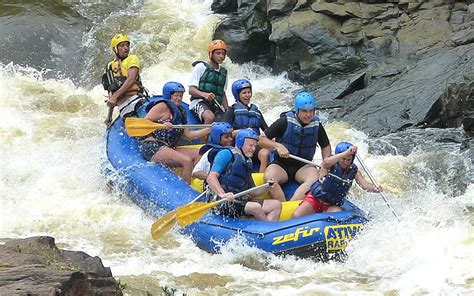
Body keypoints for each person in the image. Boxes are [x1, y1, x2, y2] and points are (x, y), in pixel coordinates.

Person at [258, 91, 331, 202]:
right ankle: (282, 205)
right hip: (281, 165)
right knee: (270, 179)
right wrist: (277, 146)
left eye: (312, 111)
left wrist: (325, 164)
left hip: (303, 166)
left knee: (314, 179)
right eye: (304, 111)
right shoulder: (284, 122)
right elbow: (261, 140)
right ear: (297, 110)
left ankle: (292, 204)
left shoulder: (317, 125)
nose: (309, 115)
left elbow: (325, 146)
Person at [137, 81, 209, 184]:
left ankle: (195, 184)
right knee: (187, 161)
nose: (179, 98)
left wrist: (208, 130)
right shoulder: (162, 106)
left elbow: (188, 135)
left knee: (200, 154)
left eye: (181, 95)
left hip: (169, 148)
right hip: (153, 146)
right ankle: (185, 191)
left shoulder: (180, 112)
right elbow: (143, 124)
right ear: (169, 95)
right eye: (176, 95)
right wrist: (162, 126)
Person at [292, 142, 384, 218]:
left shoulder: (354, 171)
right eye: (343, 159)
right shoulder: (329, 165)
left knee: (336, 217)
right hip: (315, 199)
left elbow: (365, 185)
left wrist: (375, 189)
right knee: (296, 216)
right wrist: (346, 153)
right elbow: (326, 162)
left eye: (348, 160)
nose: (345, 162)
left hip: (331, 205)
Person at [206, 129, 282, 221]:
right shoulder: (226, 153)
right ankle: (268, 231)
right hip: (222, 201)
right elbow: (211, 177)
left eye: (255, 146)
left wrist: (267, 187)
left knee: (276, 205)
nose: (253, 149)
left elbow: (252, 192)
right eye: (250, 145)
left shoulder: (248, 161)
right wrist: (222, 194)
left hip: (239, 200)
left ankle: (269, 230)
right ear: (240, 143)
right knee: (255, 207)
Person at [223, 79, 270, 172]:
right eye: (244, 93)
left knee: (265, 154)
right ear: (237, 95)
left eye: (249, 92)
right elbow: (224, 132)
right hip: (238, 144)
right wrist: (241, 132)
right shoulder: (232, 110)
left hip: (254, 144)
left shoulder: (256, 112)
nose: (247, 95)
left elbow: (267, 131)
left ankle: (260, 179)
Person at [103, 34, 148, 119]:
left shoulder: (132, 59)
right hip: (123, 107)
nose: (126, 48)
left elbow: (131, 79)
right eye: (122, 45)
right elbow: (111, 92)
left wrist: (115, 96)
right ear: (115, 49)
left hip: (136, 100)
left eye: (127, 45)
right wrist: (109, 116)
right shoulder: (110, 66)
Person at [189, 39, 229, 125]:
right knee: (209, 117)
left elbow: (222, 93)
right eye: (218, 53)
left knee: (227, 122)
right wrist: (205, 95)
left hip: (215, 105)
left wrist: (227, 110)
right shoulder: (200, 67)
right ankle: (204, 139)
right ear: (211, 54)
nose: (221, 56)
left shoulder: (224, 72)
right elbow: (191, 90)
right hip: (198, 101)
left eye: (223, 54)